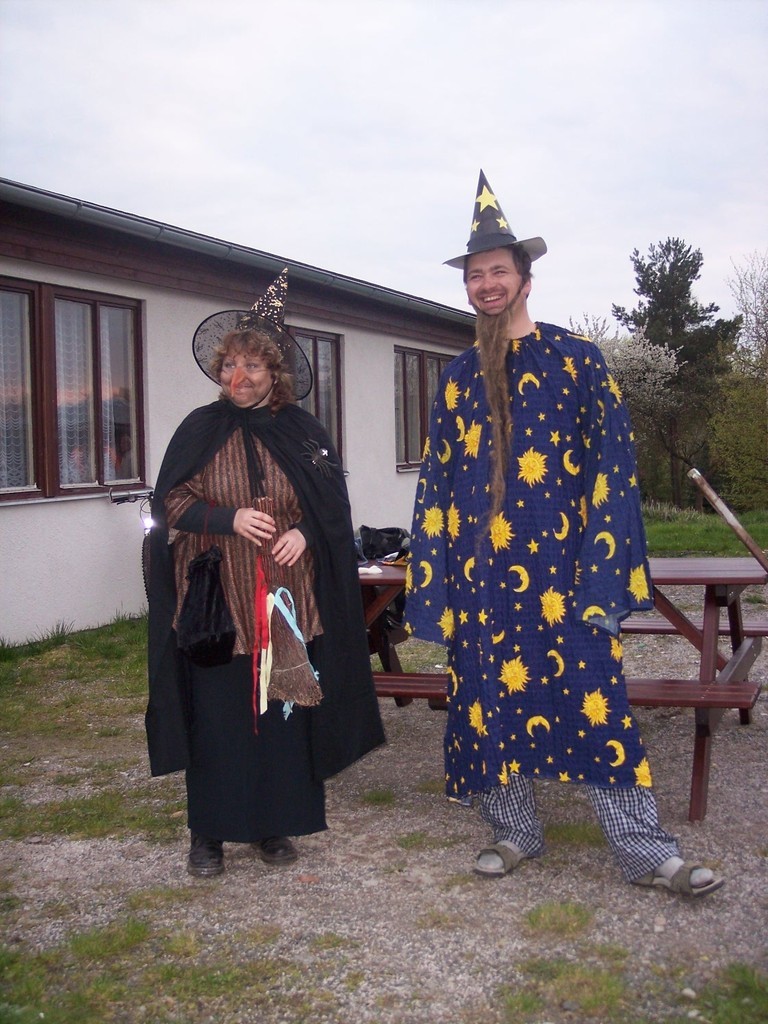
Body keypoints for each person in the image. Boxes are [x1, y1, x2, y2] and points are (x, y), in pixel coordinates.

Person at [404, 171, 723, 898]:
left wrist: (604, 571)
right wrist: (436, 578)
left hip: (565, 574)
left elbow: (613, 469)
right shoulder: (456, 378)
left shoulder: (577, 359)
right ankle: (514, 831)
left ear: (525, 277)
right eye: (475, 274)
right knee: (489, 697)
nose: (486, 284)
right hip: (482, 578)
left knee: (595, 698)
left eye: (497, 271)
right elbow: (436, 483)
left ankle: (644, 850)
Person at [146, 268, 385, 877]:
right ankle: (208, 834)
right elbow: (169, 502)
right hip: (217, 602)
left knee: (284, 713)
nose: (239, 376)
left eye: (252, 365)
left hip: (287, 600)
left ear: (275, 373)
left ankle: (275, 825)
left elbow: (331, 510)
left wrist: (306, 532)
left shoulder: (304, 433)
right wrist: (226, 518)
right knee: (218, 717)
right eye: (231, 365)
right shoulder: (199, 429)